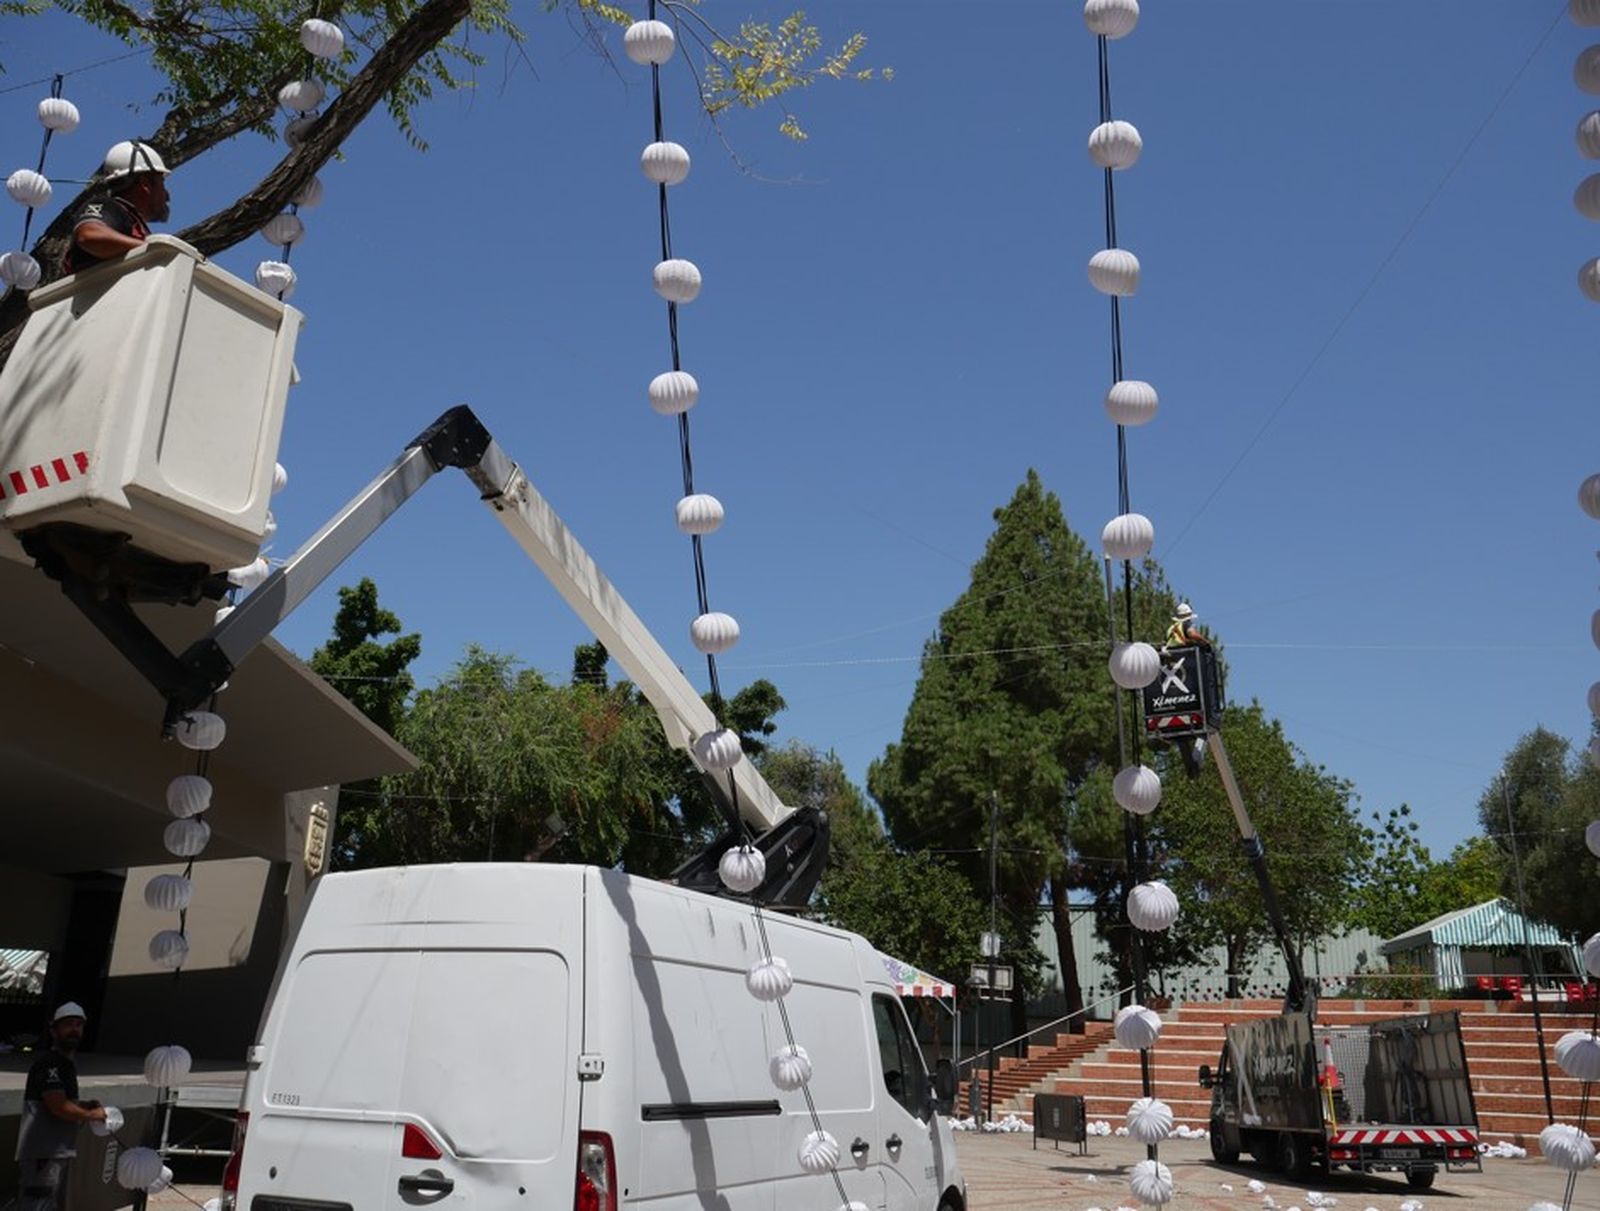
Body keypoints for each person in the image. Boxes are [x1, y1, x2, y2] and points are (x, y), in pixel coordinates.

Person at [14, 1002, 108, 1211]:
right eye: (68, 1025)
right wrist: (91, 1114)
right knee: (37, 1204)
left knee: (46, 1203)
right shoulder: (50, 1064)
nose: (74, 1029)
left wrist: (82, 1105)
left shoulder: (65, 1065)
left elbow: (61, 1103)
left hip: (55, 1151)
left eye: (78, 1025)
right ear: (53, 1031)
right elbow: (58, 1106)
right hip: (43, 1152)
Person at [62, 141, 171, 276]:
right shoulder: (110, 206)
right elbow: (89, 236)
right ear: (145, 184)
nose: (167, 195)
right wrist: (154, 249)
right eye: (162, 184)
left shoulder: (131, 220)